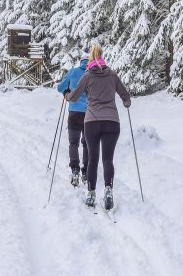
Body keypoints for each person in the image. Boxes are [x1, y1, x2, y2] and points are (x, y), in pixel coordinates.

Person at [67, 43, 131, 211]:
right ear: (102, 57)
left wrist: (67, 94)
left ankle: (91, 194)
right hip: (112, 122)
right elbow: (125, 95)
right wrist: (126, 102)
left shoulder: (87, 75)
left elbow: (73, 97)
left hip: (92, 122)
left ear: (90, 59)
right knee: (108, 159)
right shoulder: (112, 75)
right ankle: (108, 190)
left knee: (93, 159)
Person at [56, 51, 90, 187]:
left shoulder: (74, 72)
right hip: (90, 114)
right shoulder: (94, 74)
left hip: (74, 112)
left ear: (81, 61)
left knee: (73, 143)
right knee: (87, 144)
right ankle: (86, 172)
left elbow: (60, 87)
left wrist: (66, 92)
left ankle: (75, 170)